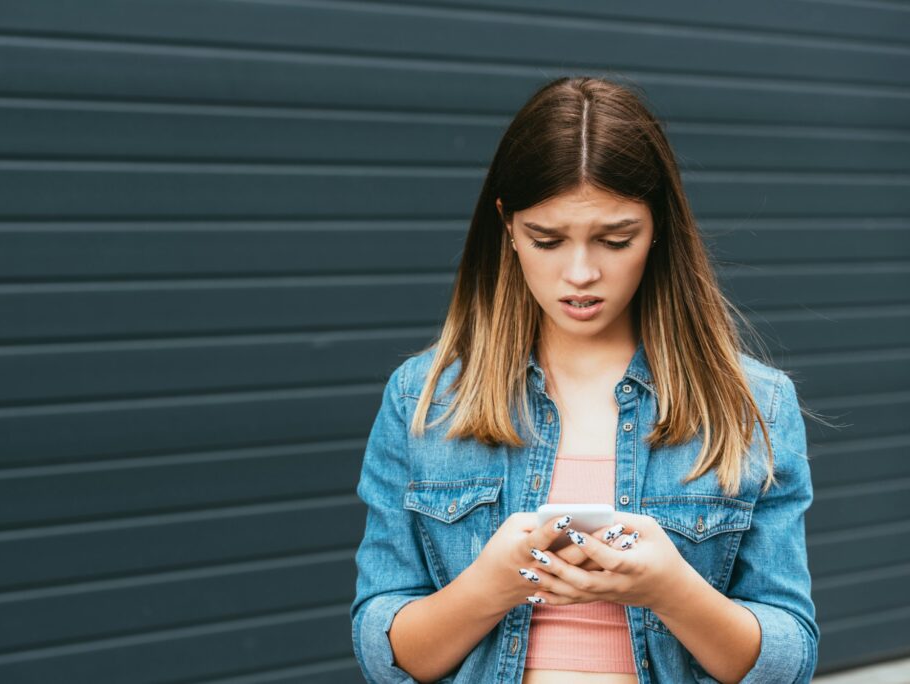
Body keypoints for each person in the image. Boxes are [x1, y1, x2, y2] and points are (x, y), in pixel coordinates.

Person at [349, 75, 822, 684]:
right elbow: (383, 653)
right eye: (546, 240)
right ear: (508, 227)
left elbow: (789, 661)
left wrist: (674, 591)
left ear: (659, 230)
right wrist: (492, 585)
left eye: (615, 238)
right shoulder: (424, 399)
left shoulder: (753, 405)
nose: (580, 273)